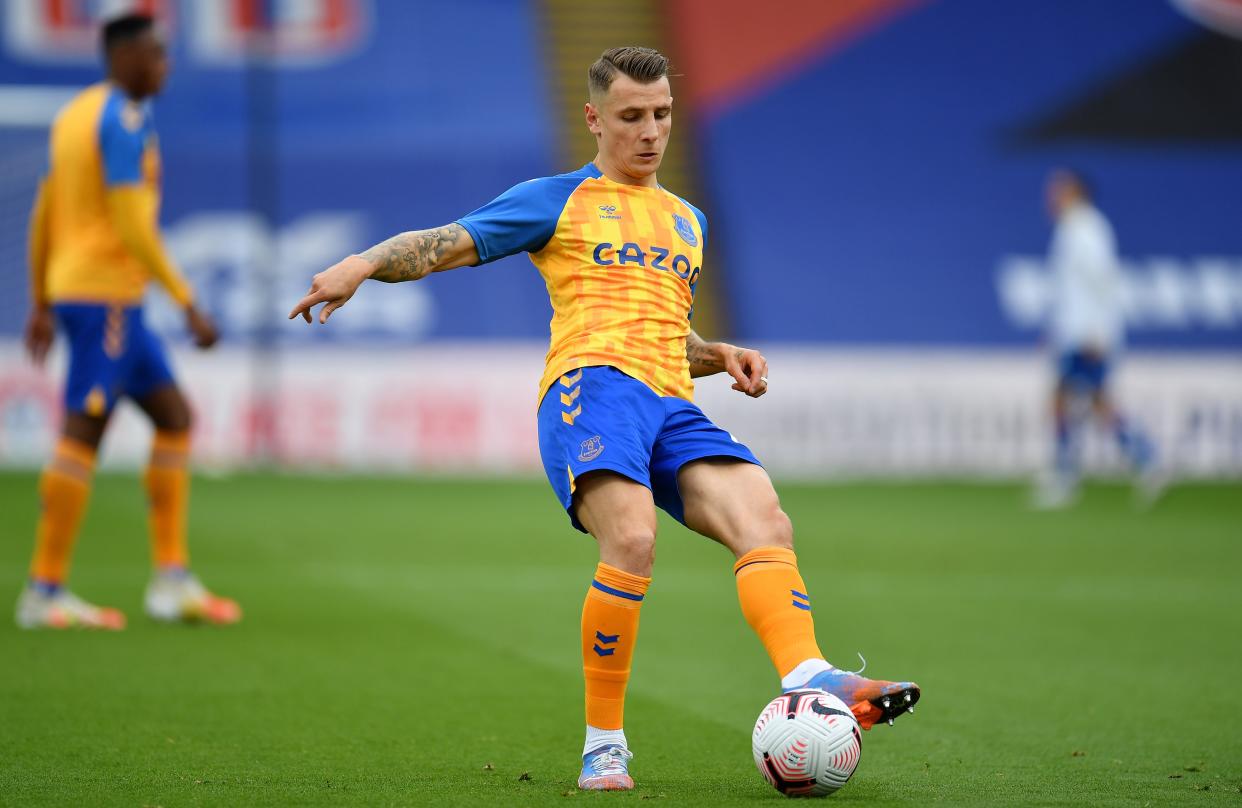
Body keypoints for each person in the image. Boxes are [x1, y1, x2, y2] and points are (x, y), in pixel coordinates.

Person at [290, 46, 919, 791]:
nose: (650, 132)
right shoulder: (557, 199)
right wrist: (361, 263)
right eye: (631, 117)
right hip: (591, 389)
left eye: (661, 115)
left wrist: (717, 354)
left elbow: (661, 328)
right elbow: (441, 244)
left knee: (766, 522)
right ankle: (604, 744)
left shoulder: (688, 221)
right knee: (632, 538)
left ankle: (810, 676)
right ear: (594, 118)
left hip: (670, 401)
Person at [17, 13, 240, 630]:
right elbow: (132, 225)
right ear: (121, 58)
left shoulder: (75, 115)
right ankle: (43, 588)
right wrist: (188, 301)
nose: (163, 66)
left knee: (174, 417)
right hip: (106, 297)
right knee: (82, 432)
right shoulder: (124, 120)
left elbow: (43, 209)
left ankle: (171, 580)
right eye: (153, 56)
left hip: (96, 296)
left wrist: (39, 297)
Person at [1034, 169, 1162, 509]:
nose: (1050, 197)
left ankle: (1066, 475)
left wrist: (1099, 332)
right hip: (1074, 333)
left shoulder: (1089, 230)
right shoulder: (1071, 230)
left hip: (1088, 336)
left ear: (1075, 192)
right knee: (1095, 403)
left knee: (1072, 400)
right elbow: (1069, 291)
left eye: (1057, 190)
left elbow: (1103, 283)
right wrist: (1055, 331)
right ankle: (1145, 459)